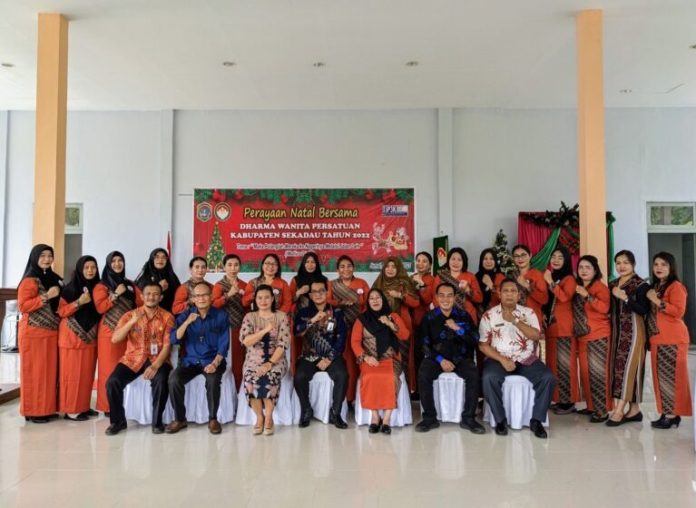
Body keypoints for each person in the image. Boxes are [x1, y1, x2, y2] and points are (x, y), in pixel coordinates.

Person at [479, 278, 555, 439]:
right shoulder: (489, 316)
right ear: (499, 294)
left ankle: (536, 420)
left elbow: (535, 335)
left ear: (519, 295)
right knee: (488, 378)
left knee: (547, 377)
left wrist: (515, 321)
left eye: (513, 291)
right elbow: (483, 345)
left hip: (525, 358)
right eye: (505, 291)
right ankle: (500, 420)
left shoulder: (529, 313)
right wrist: (502, 360)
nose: (509, 294)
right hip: (499, 359)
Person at [105, 282, 174, 435]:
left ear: (161, 297)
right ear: (142, 296)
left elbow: (167, 346)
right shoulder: (129, 315)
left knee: (161, 380)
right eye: (148, 294)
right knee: (112, 382)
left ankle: (157, 422)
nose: (151, 297)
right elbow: (115, 339)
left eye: (155, 294)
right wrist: (131, 322)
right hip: (133, 358)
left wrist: (155, 366)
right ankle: (118, 422)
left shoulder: (167, 317)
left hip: (157, 359)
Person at [415, 283, 484, 434]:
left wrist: (458, 329)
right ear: (436, 297)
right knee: (423, 373)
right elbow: (424, 345)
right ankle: (429, 418)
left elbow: (474, 338)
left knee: (473, 374)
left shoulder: (464, 316)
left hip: (461, 357)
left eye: (449, 295)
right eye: (442, 295)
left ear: (454, 297)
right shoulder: (429, 317)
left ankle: (468, 418)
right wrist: (441, 360)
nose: (445, 299)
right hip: (437, 358)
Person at [166, 282, 230, 435]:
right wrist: (187, 322)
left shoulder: (221, 315)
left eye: (205, 295)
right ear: (193, 299)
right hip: (191, 361)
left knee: (213, 380)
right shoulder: (185, 315)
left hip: (213, 360)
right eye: (197, 296)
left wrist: (215, 363)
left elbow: (224, 344)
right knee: (174, 379)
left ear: (211, 297)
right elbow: (174, 339)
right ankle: (180, 419)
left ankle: (213, 419)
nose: (201, 298)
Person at [351, 289, 409, 435]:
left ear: (383, 300)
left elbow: (405, 335)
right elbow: (355, 342)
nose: (375, 300)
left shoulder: (393, 316)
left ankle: (387, 419)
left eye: (378, 297)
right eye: (372, 298)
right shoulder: (362, 319)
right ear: (368, 302)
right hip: (370, 359)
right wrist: (365, 357)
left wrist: (390, 324)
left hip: (391, 358)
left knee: (391, 377)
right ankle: (375, 417)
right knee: (369, 377)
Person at [645, 252, 692, 429]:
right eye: (656, 264)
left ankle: (672, 415)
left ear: (671, 267)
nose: (659, 268)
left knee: (673, 378)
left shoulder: (676, 286)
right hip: (658, 339)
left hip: (673, 339)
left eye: (663, 264)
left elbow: (679, 311)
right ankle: (667, 413)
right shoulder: (657, 286)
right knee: (661, 379)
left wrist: (656, 301)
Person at [294, 280, 349, 429]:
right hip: (309, 356)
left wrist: (329, 358)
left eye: (321, 291)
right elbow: (297, 332)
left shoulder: (337, 312)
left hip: (331, 355)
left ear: (326, 292)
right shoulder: (303, 312)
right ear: (310, 295)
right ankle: (306, 410)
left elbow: (342, 336)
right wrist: (312, 321)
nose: (318, 294)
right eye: (314, 292)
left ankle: (335, 413)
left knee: (342, 375)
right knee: (299, 377)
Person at [17, 244, 62, 423]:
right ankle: (33, 411)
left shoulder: (54, 278)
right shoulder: (30, 280)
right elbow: (23, 306)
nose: (46, 259)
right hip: (33, 334)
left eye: (49, 256)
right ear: (35, 257)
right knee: (34, 373)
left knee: (48, 374)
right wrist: (47, 296)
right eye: (42, 256)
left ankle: (46, 409)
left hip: (51, 334)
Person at [94, 251, 143, 416]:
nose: (117, 264)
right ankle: (108, 406)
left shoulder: (130, 284)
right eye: (113, 261)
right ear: (108, 264)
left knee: (125, 369)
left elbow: (141, 303)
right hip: (108, 333)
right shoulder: (101, 286)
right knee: (108, 369)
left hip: (128, 333)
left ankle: (124, 405)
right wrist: (116, 294)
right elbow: (100, 307)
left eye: (120, 260)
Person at [239, 284, 291, 435]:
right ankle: (259, 417)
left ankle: (269, 417)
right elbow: (246, 341)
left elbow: (283, 344)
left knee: (271, 377)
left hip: (276, 360)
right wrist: (265, 330)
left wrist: (270, 364)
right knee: (250, 379)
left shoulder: (281, 316)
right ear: (255, 300)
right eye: (260, 298)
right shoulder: (250, 317)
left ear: (273, 299)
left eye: (267, 297)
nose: (263, 301)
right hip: (253, 360)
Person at [607, 250, 650, 426]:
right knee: (618, 369)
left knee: (628, 369)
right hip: (617, 333)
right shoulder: (613, 284)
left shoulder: (641, 285)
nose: (621, 266)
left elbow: (644, 310)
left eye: (625, 262)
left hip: (634, 333)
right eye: (618, 263)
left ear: (633, 264)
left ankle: (619, 411)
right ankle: (634, 410)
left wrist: (625, 298)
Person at [57, 256, 101, 421]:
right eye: (86, 267)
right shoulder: (70, 288)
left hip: (89, 338)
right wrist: (79, 302)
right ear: (80, 269)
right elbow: (61, 311)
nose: (90, 270)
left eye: (93, 267)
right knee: (72, 375)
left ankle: (82, 406)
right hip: (72, 337)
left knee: (86, 375)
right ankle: (71, 410)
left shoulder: (98, 288)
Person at [573, 255, 612, 423]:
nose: (583, 270)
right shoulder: (580, 286)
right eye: (581, 267)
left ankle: (602, 410)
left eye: (588, 267)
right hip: (583, 336)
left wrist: (587, 296)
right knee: (586, 373)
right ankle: (591, 406)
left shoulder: (600, 287)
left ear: (595, 271)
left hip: (598, 336)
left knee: (598, 374)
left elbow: (605, 308)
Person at [327, 255, 370, 406]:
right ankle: (345, 397)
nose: (346, 269)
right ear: (337, 270)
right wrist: (341, 302)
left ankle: (359, 398)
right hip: (339, 328)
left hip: (359, 328)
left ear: (354, 268)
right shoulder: (332, 284)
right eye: (342, 266)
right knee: (345, 363)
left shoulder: (362, 283)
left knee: (358, 361)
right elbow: (327, 301)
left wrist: (363, 322)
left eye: (349, 266)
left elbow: (368, 304)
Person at [372, 256, 419, 391]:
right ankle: (384, 390)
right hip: (381, 325)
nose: (390, 269)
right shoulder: (378, 283)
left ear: (398, 268)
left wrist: (400, 295)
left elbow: (416, 302)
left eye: (394, 266)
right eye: (387, 266)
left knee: (402, 357)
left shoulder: (404, 282)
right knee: (384, 356)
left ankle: (404, 391)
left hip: (401, 325)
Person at [542, 246, 579, 414]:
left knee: (565, 366)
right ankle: (559, 399)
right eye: (553, 256)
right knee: (554, 365)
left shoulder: (569, 278)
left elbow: (564, 297)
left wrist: (550, 281)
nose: (556, 260)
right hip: (552, 328)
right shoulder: (554, 277)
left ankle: (569, 402)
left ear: (566, 261)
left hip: (564, 329)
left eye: (560, 257)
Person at [212, 253, 249, 389]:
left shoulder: (244, 285)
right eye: (230, 265)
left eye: (236, 265)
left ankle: (239, 392)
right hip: (222, 328)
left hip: (240, 327)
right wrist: (229, 294)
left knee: (239, 362)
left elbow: (247, 308)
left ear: (240, 267)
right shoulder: (219, 286)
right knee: (224, 361)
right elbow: (213, 305)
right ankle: (224, 394)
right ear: (224, 267)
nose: (233, 268)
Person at [433, 247, 483, 325]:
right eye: (453, 259)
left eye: (459, 260)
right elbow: (435, 298)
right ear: (448, 260)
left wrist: (468, 290)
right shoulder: (440, 276)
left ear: (464, 262)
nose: (455, 262)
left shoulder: (470, 276)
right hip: (445, 316)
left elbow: (479, 299)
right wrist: (444, 315)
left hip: (467, 316)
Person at [410, 251, 435, 399]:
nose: (420, 264)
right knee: (413, 357)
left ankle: (423, 389)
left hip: (425, 322)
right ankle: (414, 388)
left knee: (424, 355)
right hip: (410, 323)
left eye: (424, 261)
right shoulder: (411, 278)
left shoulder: (432, 280)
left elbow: (428, 300)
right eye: (418, 260)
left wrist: (421, 284)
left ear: (430, 265)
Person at [510, 244, 548, 328]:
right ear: (513, 258)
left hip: (533, 318)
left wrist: (527, 286)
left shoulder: (537, 275)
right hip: (515, 319)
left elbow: (544, 299)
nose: (520, 259)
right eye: (516, 256)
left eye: (523, 255)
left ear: (530, 255)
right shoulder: (511, 276)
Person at [135, 248, 181, 313]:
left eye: (163, 257)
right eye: (157, 257)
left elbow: (179, 296)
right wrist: (159, 288)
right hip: (149, 313)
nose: (160, 260)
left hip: (170, 313)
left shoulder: (171, 275)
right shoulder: (145, 276)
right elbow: (140, 298)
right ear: (152, 259)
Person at [475, 248, 505, 317]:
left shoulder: (501, 277)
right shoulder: (476, 277)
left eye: (491, 259)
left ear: (495, 261)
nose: (488, 261)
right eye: (485, 259)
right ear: (481, 261)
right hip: (478, 315)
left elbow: (505, 298)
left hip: (497, 314)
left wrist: (491, 285)